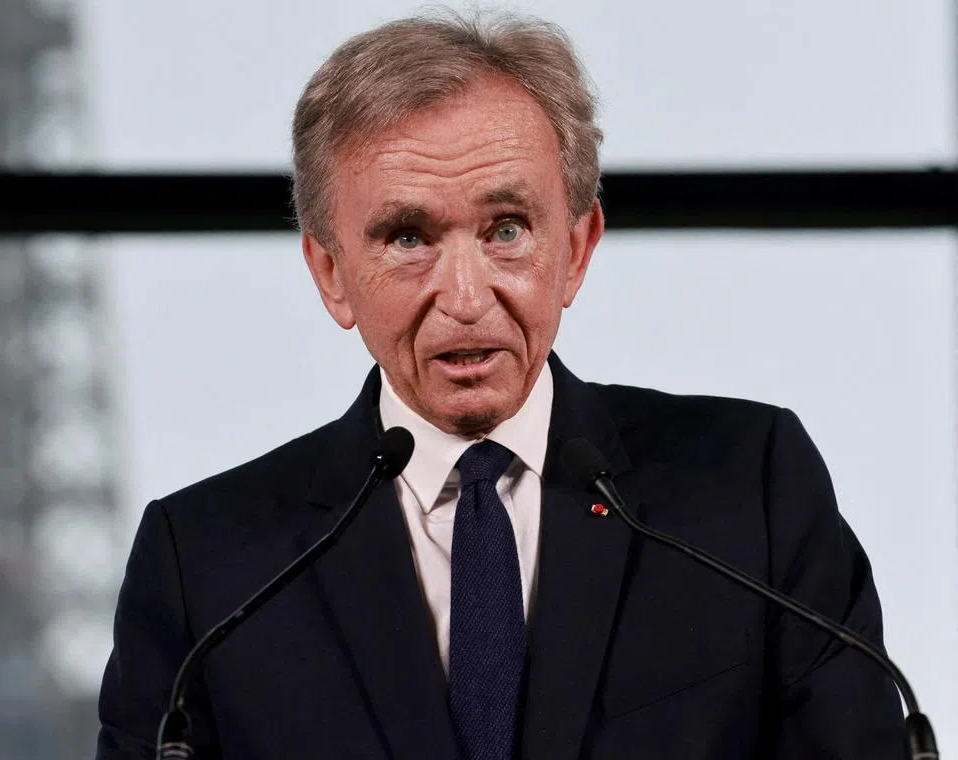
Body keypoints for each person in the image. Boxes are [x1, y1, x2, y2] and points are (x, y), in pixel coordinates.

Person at [96, 11, 905, 759]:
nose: (466, 296)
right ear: (332, 274)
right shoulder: (206, 567)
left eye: (506, 230)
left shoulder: (749, 493)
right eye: (408, 237)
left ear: (579, 248)